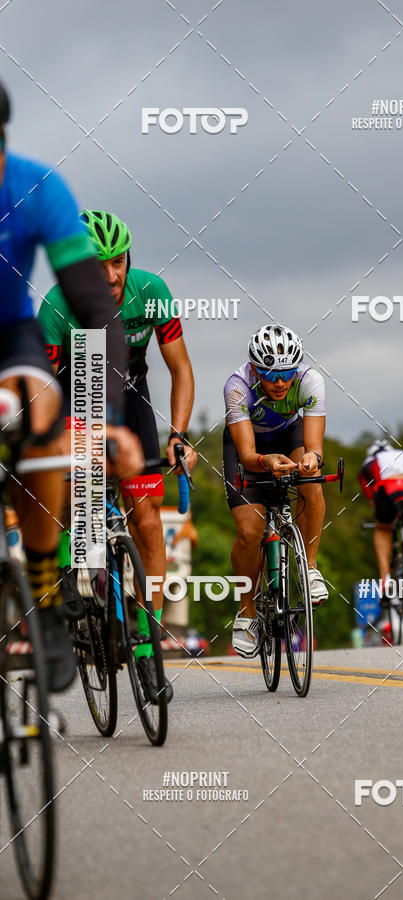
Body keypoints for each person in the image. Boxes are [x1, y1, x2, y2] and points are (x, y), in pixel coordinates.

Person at [0, 81, 142, 691]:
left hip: (9, 339)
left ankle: (43, 597)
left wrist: (107, 416)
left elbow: (95, 307)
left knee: (36, 417)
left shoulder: (36, 188)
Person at [39, 209, 198, 702]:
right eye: (98, 265)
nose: (111, 275)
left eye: (119, 262)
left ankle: (147, 644)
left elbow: (181, 368)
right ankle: (71, 560)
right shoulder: (58, 307)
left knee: (148, 519)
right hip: (77, 388)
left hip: (132, 392)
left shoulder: (151, 293)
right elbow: (45, 391)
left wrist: (179, 433)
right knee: (78, 493)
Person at [222, 323, 327, 657]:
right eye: (270, 374)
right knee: (249, 532)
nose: (280, 382)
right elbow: (249, 455)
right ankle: (247, 612)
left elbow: (314, 447)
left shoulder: (311, 381)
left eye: (287, 374)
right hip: (249, 447)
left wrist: (312, 459)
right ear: (255, 369)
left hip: (287, 434)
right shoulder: (238, 387)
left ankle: (309, 568)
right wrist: (266, 461)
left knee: (311, 482)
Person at [358, 439, 403, 617]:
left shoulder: (368, 464)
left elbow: (373, 503)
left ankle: (386, 579)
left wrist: (386, 518)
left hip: (388, 486)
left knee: (383, 528)